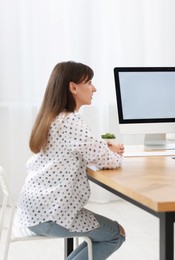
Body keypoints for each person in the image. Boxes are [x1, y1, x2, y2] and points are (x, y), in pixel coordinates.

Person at [15, 61, 126, 260]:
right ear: (73, 87)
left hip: (32, 212)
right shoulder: (71, 121)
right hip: (51, 216)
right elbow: (106, 160)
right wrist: (114, 153)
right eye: (90, 82)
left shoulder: (54, 118)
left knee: (106, 234)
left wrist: (104, 148)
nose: (94, 88)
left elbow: (82, 148)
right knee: (116, 234)